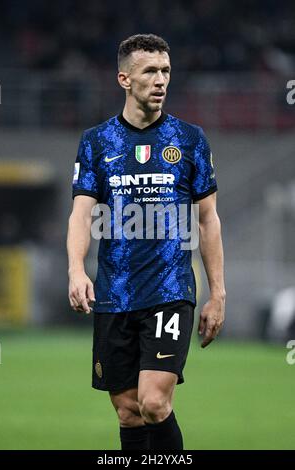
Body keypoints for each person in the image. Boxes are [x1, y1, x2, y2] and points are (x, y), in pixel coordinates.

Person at [67, 34, 225, 450]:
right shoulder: (97, 142)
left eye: (166, 71)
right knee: (127, 411)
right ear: (124, 78)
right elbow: (81, 214)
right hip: (114, 294)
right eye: (150, 71)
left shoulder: (189, 140)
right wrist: (76, 269)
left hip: (170, 291)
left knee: (154, 403)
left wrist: (217, 294)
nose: (161, 80)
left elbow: (208, 221)